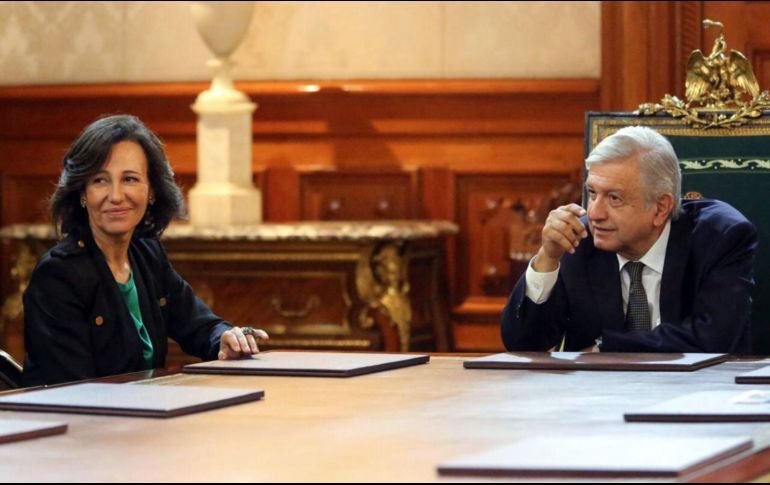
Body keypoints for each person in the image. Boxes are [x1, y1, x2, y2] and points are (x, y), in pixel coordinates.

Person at [22, 114, 269, 386]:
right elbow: (74, 391)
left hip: (144, 408)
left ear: (151, 190)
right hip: (86, 412)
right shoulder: (58, 275)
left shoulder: (146, 253)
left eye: (129, 179)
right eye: (100, 180)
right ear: (82, 193)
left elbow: (199, 325)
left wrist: (224, 339)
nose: (116, 196)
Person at [500, 126, 756, 354]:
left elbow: (714, 340)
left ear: (660, 208)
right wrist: (547, 258)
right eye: (592, 193)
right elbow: (522, 344)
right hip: (595, 392)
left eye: (614, 198)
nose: (594, 213)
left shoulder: (719, 238)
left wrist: (606, 349)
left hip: (696, 389)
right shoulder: (579, 240)